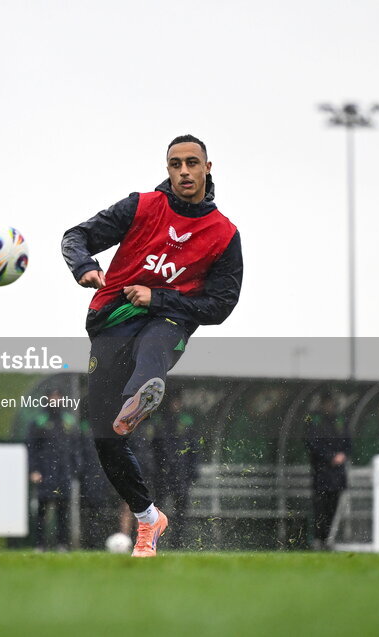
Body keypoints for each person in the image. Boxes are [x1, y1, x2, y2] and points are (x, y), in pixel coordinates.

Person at [61, 134, 242, 557]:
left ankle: (142, 393)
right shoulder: (140, 207)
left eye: (192, 163)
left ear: (207, 168)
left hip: (169, 320)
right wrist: (85, 267)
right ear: (167, 169)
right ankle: (147, 519)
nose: (184, 171)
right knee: (105, 438)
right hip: (113, 320)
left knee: (156, 340)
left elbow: (221, 305)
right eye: (176, 164)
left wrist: (157, 296)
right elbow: (76, 236)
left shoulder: (223, 234)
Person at [27, 390, 81, 552]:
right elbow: (32, 449)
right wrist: (33, 470)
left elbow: (76, 447)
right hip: (44, 471)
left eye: (58, 397)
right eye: (52, 397)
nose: (55, 400)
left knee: (62, 510)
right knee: (42, 510)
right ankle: (40, 544)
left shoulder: (69, 422)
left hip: (63, 472)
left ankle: (62, 544)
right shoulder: (39, 421)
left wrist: (75, 468)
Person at [151, 396, 201, 549]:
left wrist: (193, 470)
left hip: (181, 473)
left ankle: (177, 541)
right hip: (163, 474)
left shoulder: (186, 422)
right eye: (174, 401)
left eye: (178, 401)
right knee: (157, 509)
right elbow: (154, 448)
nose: (176, 404)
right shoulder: (159, 421)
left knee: (180, 510)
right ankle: (154, 540)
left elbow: (194, 448)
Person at [304, 391, 352, 550]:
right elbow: (311, 443)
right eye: (327, 403)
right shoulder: (313, 420)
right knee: (320, 508)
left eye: (332, 403)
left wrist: (342, 455)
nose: (330, 406)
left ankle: (328, 539)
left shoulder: (341, 421)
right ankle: (318, 539)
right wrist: (330, 456)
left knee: (333, 508)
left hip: (337, 476)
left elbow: (348, 443)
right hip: (321, 474)